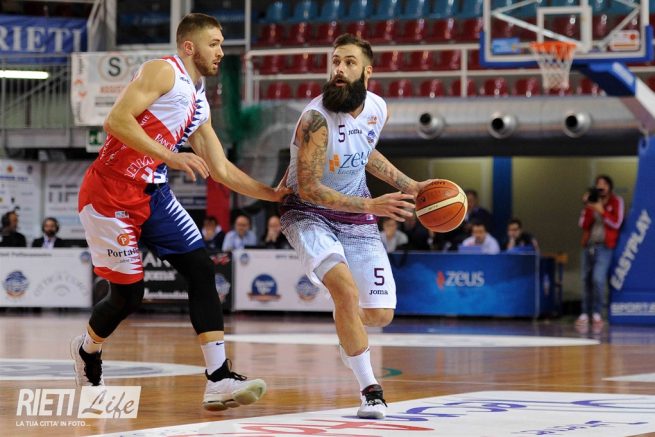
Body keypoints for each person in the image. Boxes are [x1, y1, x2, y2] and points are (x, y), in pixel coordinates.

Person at [72, 13, 289, 411]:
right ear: (189, 46)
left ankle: (218, 378)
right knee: (128, 296)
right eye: (214, 44)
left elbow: (221, 170)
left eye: (221, 44)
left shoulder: (199, 102)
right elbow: (116, 121)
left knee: (202, 269)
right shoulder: (163, 71)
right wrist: (171, 156)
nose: (221, 51)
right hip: (109, 193)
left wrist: (272, 193)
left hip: (154, 195)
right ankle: (88, 350)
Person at [279, 33, 434, 419]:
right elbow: (310, 188)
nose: (339, 69)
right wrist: (373, 204)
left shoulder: (378, 108)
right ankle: (371, 391)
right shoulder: (315, 119)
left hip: (356, 215)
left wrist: (410, 185)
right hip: (308, 212)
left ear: (367, 72)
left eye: (349, 62)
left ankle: (346, 326)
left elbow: (365, 152)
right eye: (335, 61)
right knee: (346, 293)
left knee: (380, 314)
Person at [577, 174, 624, 327]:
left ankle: (598, 312)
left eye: (604, 184)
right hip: (589, 245)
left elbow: (616, 223)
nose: (601, 186)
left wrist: (602, 211)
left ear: (609, 187)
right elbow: (582, 224)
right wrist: (588, 206)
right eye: (598, 184)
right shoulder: (592, 202)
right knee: (586, 279)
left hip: (605, 246)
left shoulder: (616, 201)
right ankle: (585, 312)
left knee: (598, 279)